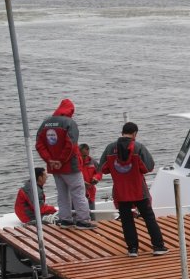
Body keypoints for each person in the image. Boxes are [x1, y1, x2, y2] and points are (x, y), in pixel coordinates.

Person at [99, 122, 168, 257]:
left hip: (120, 191)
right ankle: (158, 246)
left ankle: (132, 249)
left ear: (122, 132)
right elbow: (148, 167)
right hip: (139, 190)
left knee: (126, 220)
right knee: (149, 218)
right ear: (135, 133)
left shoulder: (110, 148)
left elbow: (103, 169)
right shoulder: (139, 147)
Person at [35, 98, 96, 230]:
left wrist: (50, 160)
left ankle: (65, 220)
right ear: (70, 111)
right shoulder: (69, 123)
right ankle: (83, 221)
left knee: (62, 194)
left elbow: (39, 144)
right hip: (70, 166)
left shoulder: (45, 123)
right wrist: (61, 160)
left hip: (54, 168)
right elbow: (71, 145)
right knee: (78, 192)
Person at [79, 143, 102, 213]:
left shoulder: (93, 162)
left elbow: (99, 172)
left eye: (85, 155)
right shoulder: (75, 163)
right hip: (78, 193)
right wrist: (82, 182)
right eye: (82, 155)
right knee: (78, 214)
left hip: (90, 193)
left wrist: (96, 178)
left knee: (92, 214)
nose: (84, 157)